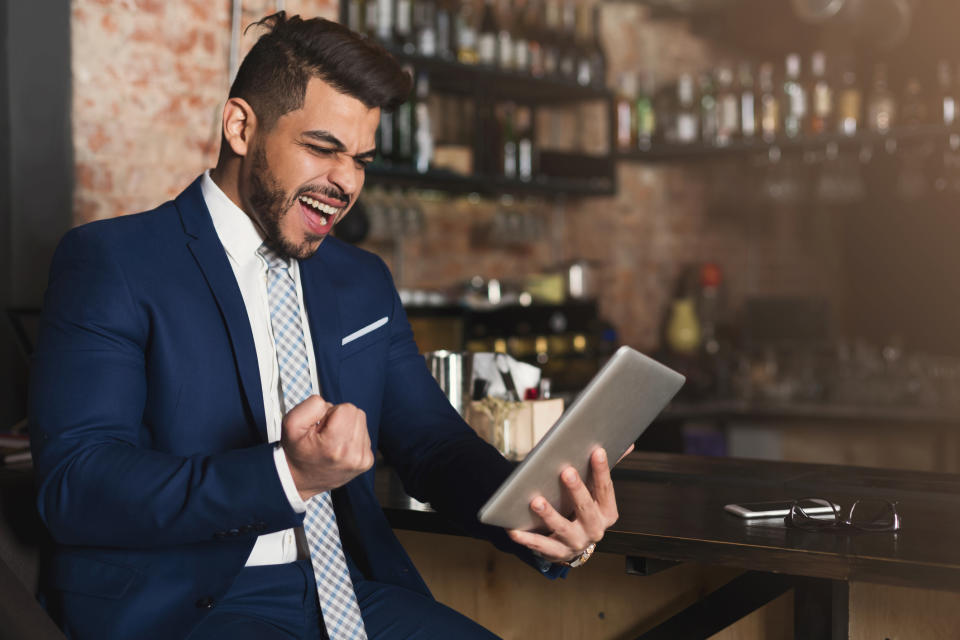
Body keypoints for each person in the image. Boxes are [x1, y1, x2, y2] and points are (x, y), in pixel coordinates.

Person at [29, 13, 623, 640]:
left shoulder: (361, 279)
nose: (345, 182)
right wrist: (287, 475)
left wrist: (541, 514)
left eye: (360, 160)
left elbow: (434, 446)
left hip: (345, 590)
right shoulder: (115, 261)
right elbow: (77, 483)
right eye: (321, 149)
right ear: (240, 126)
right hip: (188, 607)